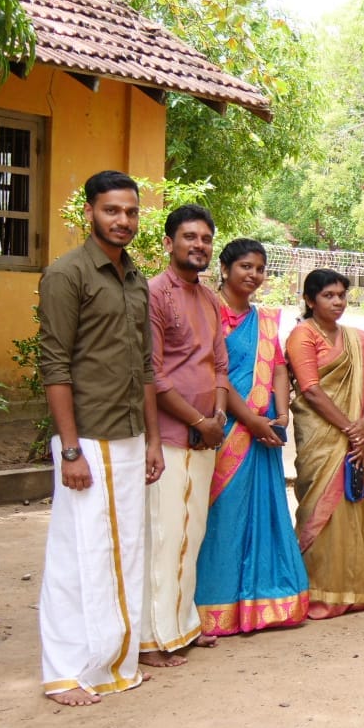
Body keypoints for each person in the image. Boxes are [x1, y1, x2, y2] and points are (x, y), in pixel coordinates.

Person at [37, 171, 164, 705]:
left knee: (125, 551)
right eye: (112, 210)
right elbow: (54, 364)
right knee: (78, 553)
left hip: (130, 435)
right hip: (86, 438)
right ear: (89, 212)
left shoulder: (135, 279)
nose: (123, 221)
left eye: (131, 212)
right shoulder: (67, 274)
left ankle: (114, 662)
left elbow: (145, 367)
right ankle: (65, 672)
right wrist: (70, 450)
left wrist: (153, 440)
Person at [195, 239, 309, 635]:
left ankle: (264, 603)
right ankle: (215, 604)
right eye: (246, 266)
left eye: (259, 268)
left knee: (263, 514)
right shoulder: (209, 311)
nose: (254, 275)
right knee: (224, 515)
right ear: (225, 269)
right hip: (226, 428)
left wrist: (280, 415)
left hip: (264, 432)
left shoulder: (264, 320)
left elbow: (277, 366)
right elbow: (213, 372)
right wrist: (251, 421)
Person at [142, 204, 229, 667]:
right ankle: (153, 640)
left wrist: (217, 417)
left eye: (206, 238)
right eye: (189, 237)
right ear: (168, 242)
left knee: (191, 534)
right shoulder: (154, 294)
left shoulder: (210, 299)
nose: (199, 245)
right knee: (164, 535)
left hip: (205, 435)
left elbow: (220, 365)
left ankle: (182, 627)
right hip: (172, 436)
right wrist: (198, 421)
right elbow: (152, 375)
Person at [286, 269, 364, 618]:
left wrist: (363, 427)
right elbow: (311, 390)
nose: (337, 302)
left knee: (352, 503)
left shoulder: (355, 339)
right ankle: (320, 590)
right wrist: (349, 428)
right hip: (321, 435)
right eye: (328, 295)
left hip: (354, 434)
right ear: (310, 299)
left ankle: (360, 588)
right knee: (319, 507)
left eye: (341, 295)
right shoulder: (303, 335)